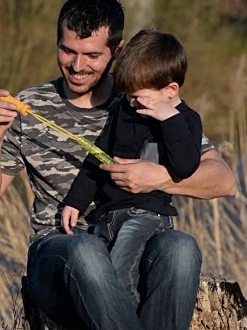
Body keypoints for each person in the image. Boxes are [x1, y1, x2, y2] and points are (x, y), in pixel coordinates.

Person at [0, 0, 237, 330]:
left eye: (92, 55)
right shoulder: (31, 107)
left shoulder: (142, 97)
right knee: (86, 251)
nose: (77, 66)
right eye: (68, 51)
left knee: (181, 248)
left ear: (118, 52)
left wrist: (157, 178)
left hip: (135, 242)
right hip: (60, 253)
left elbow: (225, 181)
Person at [62, 29, 202, 308]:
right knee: (95, 278)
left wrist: (169, 120)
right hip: (106, 217)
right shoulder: (123, 112)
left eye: (139, 97)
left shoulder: (185, 121)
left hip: (146, 216)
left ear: (170, 90)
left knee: (117, 271)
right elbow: (96, 158)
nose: (132, 103)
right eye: (127, 96)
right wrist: (75, 202)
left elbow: (186, 166)